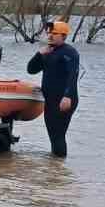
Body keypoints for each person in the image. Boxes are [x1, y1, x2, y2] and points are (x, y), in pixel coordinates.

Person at [27, 19, 81, 157]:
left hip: (65, 99)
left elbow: (73, 75)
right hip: (50, 100)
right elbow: (31, 70)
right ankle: (56, 169)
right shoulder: (48, 51)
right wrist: (39, 54)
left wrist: (67, 96)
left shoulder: (70, 52)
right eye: (49, 33)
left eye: (54, 33)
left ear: (63, 36)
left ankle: (58, 167)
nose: (50, 36)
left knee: (58, 134)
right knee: (53, 134)